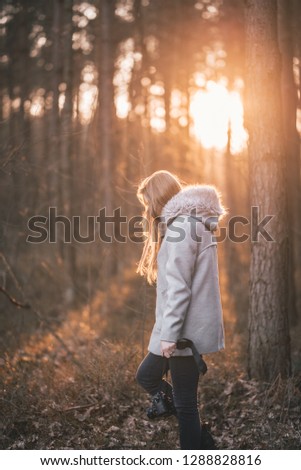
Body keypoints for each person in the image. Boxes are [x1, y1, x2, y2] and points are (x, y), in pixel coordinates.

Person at [135, 170, 227, 450]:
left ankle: (197, 453)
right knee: (148, 376)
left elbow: (179, 288)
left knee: (186, 405)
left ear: (158, 198)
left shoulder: (182, 228)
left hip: (183, 332)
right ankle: (202, 443)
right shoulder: (190, 223)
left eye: (148, 201)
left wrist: (169, 335)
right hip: (180, 328)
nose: (147, 208)